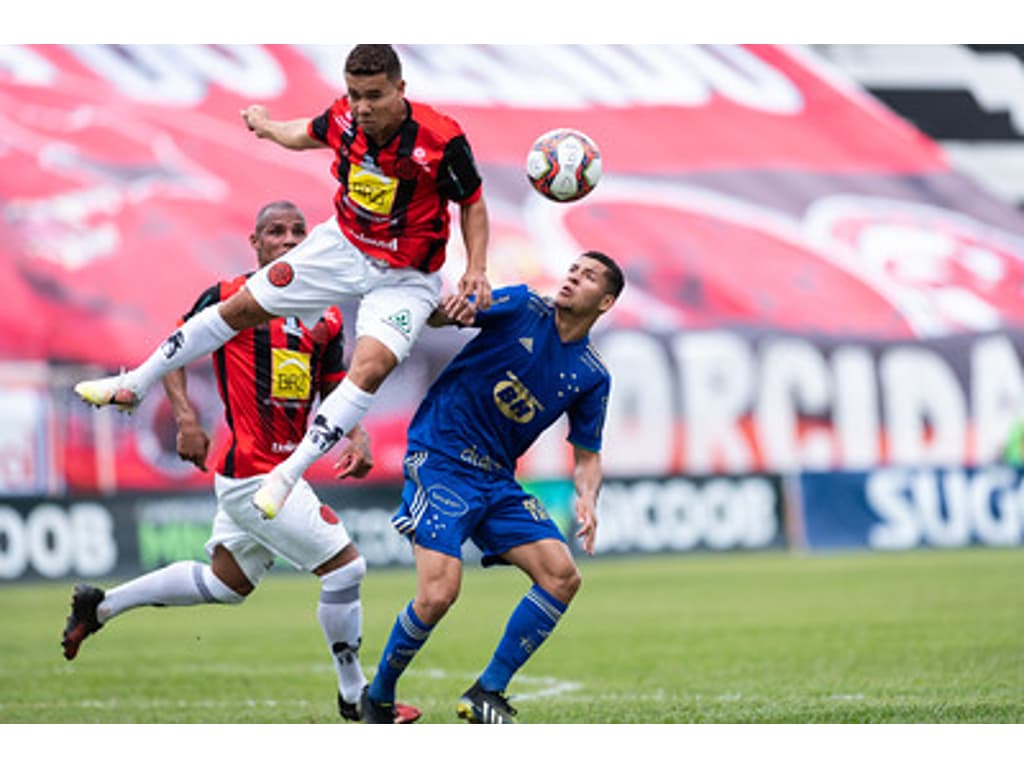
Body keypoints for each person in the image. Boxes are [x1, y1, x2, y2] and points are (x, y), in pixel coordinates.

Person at [73, 43, 492, 522]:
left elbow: (473, 203)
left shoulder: (440, 138)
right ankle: (135, 382)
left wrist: (476, 269)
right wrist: (269, 127)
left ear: (401, 89)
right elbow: (306, 133)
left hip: (406, 273)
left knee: (371, 366)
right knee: (241, 308)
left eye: (374, 95)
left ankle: (286, 475)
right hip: (344, 245)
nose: (363, 107)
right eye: (355, 95)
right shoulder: (344, 118)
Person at [61, 200, 421, 724]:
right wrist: (184, 417)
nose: (290, 239)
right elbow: (175, 347)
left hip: (268, 473)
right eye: (276, 232)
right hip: (255, 471)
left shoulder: (329, 314)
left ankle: (101, 606)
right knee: (347, 569)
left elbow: (331, 384)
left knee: (225, 584)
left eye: (299, 230)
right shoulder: (233, 296)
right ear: (256, 243)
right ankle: (356, 698)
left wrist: (358, 434)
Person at [359, 251, 625, 724]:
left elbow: (587, 455)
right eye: (572, 270)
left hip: (496, 478)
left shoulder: (591, 374)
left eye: (586, 278)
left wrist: (587, 497)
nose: (571, 279)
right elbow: (444, 315)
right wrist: (451, 307)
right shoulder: (522, 305)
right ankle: (377, 697)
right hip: (440, 456)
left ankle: (487, 693)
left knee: (562, 575)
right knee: (440, 592)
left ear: (604, 302)